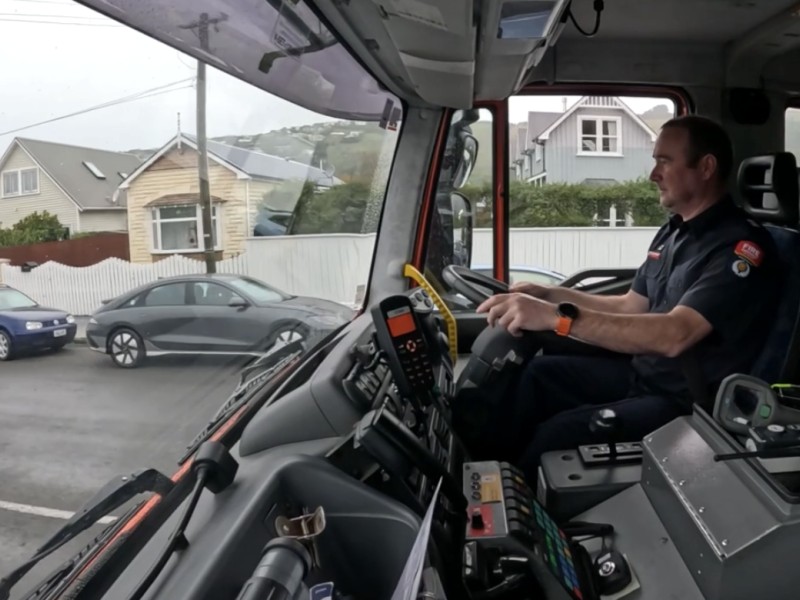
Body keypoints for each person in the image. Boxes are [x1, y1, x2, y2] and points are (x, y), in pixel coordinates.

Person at [475, 115, 783, 481]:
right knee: (539, 376)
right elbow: (628, 305)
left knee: (556, 437)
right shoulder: (675, 232)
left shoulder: (740, 248)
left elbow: (675, 334)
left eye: (664, 161)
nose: (653, 173)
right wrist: (549, 295)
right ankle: (481, 472)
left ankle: (505, 517)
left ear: (706, 167)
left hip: (686, 402)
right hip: (642, 374)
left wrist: (557, 318)